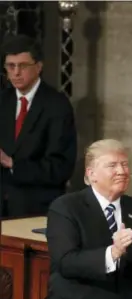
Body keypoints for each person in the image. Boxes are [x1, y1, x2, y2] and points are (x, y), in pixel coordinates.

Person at [40, 139, 132, 299]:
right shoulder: (66, 207)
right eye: (112, 165)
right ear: (91, 174)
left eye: (125, 164)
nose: (121, 171)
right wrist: (113, 253)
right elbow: (66, 262)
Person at [0, 34, 77, 217]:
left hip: (36, 210)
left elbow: (60, 168)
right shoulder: (3, 101)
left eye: (23, 66)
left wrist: (12, 164)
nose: (16, 73)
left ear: (39, 67)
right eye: (11, 66)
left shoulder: (57, 105)